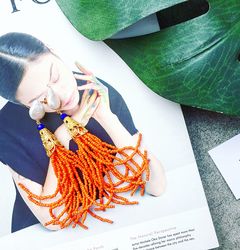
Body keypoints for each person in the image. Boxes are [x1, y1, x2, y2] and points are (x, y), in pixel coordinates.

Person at [0, 32, 166, 233]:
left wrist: (106, 116)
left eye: (56, 76)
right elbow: (53, 220)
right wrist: (62, 138)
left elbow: (155, 184)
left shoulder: (91, 90)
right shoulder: (8, 127)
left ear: (52, 50)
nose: (61, 95)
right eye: (41, 99)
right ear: (23, 105)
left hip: (107, 224)